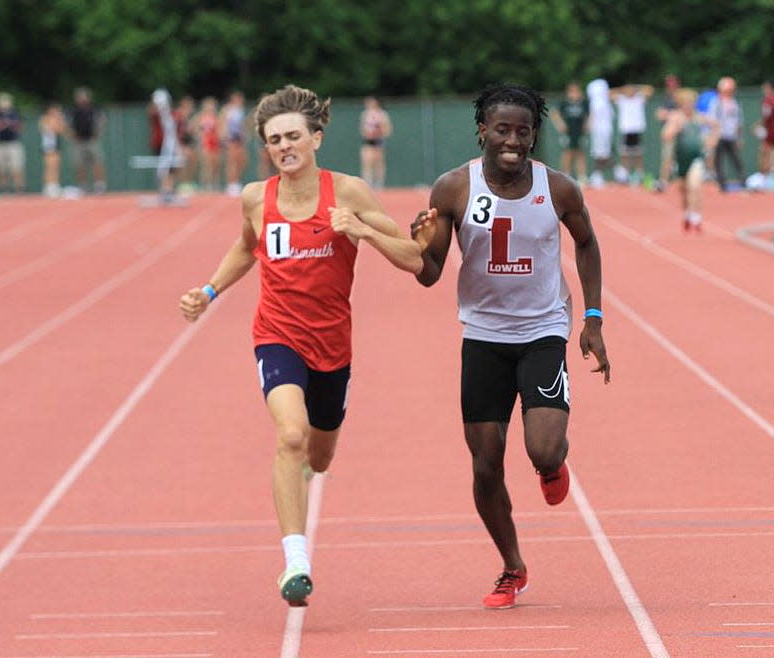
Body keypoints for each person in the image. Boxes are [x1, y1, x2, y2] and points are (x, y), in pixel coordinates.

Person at [178, 84, 435, 607]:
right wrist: (208, 290)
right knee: (290, 436)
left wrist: (360, 228)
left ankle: (307, 473)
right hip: (277, 336)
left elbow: (415, 260)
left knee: (318, 456)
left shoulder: (349, 192)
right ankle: (295, 561)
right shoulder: (256, 197)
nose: (284, 146)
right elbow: (245, 247)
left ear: (316, 138)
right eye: (274, 140)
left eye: (293, 135)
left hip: (333, 347)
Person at [409, 84, 610, 609]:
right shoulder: (453, 188)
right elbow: (429, 276)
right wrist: (420, 244)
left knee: (542, 447)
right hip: (483, 335)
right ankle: (512, 566)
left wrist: (591, 317)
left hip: (543, 330)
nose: (513, 141)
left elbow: (586, 243)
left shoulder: (559, 188)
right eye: (503, 129)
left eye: (524, 131)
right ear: (483, 129)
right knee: (485, 465)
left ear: (534, 134)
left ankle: (551, 466)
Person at [661, 88, 718, 232]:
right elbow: (665, 135)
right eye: (686, 103)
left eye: (691, 103)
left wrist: (712, 141)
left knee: (695, 186)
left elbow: (716, 126)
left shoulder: (699, 117)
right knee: (684, 190)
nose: (689, 106)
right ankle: (687, 212)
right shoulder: (676, 117)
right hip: (680, 158)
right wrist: (675, 130)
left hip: (696, 157)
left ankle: (696, 217)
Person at [610, 83, 654, 185]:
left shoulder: (639, 98)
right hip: (626, 130)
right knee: (625, 153)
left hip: (637, 129)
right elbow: (609, 94)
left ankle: (639, 173)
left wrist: (636, 88)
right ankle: (626, 174)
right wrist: (622, 90)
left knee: (638, 152)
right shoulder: (621, 99)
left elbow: (650, 90)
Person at [708, 76, 745, 192]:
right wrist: (713, 136)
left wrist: (739, 137)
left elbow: (738, 121)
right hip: (720, 136)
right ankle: (722, 184)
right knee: (718, 161)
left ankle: (743, 181)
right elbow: (712, 120)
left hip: (731, 136)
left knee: (736, 160)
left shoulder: (734, 103)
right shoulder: (716, 103)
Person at [68, 87, 107, 194]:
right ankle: (82, 186)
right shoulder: (73, 110)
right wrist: (71, 134)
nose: (82, 100)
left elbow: (103, 120)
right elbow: (67, 124)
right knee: (79, 164)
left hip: (92, 140)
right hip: (78, 142)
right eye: (80, 97)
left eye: (84, 97)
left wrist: (98, 133)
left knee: (97, 162)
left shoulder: (94, 109)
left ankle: (99, 185)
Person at [550, 81, 589, 185]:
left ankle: (582, 177)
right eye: (573, 91)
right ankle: (565, 175)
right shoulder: (564, 103)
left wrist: (587, 124)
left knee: (580, 153)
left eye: (577, 91)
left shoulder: (583, 103)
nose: (575, 93)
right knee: (567, 153)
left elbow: (589, 115)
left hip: (580, 132)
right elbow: (554, 113)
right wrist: (560, 124)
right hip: (568, 132)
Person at [0, 92, 25, 193]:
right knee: (0, 168)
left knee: (16, 166)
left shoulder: (14, 113)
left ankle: (19, 188)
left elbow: (21, 127)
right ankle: (4, 189)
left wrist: (12, 124)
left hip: (12, 142)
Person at [585, 78, 614, 188]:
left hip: (600, 132)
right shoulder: (604, 102)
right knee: (601, 154)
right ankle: (598, 175)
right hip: (604, 131)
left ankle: (599, 175)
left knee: (601, 154)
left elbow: (593, 116)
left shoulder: (598, 102)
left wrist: (588, 126)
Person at [359, 96, 392, 189]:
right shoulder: (365, 114)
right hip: (368, 140)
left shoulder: (382, 114)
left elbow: (387, 129)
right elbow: (362, 129)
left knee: (378, 163)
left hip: (378, 141)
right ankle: (367, 183)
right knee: (366, 161)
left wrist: (379, 132)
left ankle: (379, 184)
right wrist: (367, 134)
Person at [654, 74, 680, 191]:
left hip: (681, 133)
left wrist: (670, 115)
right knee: (667, 157)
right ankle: (663, 181)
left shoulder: (681, 98)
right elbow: (659, 115)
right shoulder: (666, 98)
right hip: (669, 133)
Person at [220, 91, 248, 196]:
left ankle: (237, 181)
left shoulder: (241, 110)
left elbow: (242, 125)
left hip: (239, 138)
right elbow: (222, 123)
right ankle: (231, 184)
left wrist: (245, 135)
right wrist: (224, 137)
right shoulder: (227, 109)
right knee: (232, 161)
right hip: (231, 138)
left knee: (242, 160)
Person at [38, 102, 66, 198]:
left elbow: (62, 130)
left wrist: (59, 121)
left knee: (56, 166)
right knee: (49, 166)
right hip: (48, 145)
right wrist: (57, 121)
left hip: (56, 144)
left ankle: (54, 185)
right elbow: (54, 129)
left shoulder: (57, 119)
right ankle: (48, 186)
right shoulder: (45, 119)